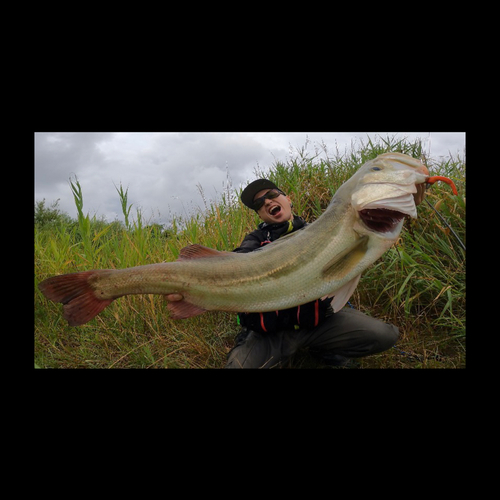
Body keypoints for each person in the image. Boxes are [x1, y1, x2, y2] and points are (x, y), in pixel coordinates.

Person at [167, 178, 426, 369]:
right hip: (270, 334)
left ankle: (323, 348)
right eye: (259, 203)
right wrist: (193, 287)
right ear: (260, 214)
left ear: (287, 198)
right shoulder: (255, 240)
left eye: (272, 194)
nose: (268, 201)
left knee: (384, 335)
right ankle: (266, 348)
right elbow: (238, 263)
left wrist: (404, 200)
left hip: (318, 324)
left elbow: (365, 241)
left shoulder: (324, 229)